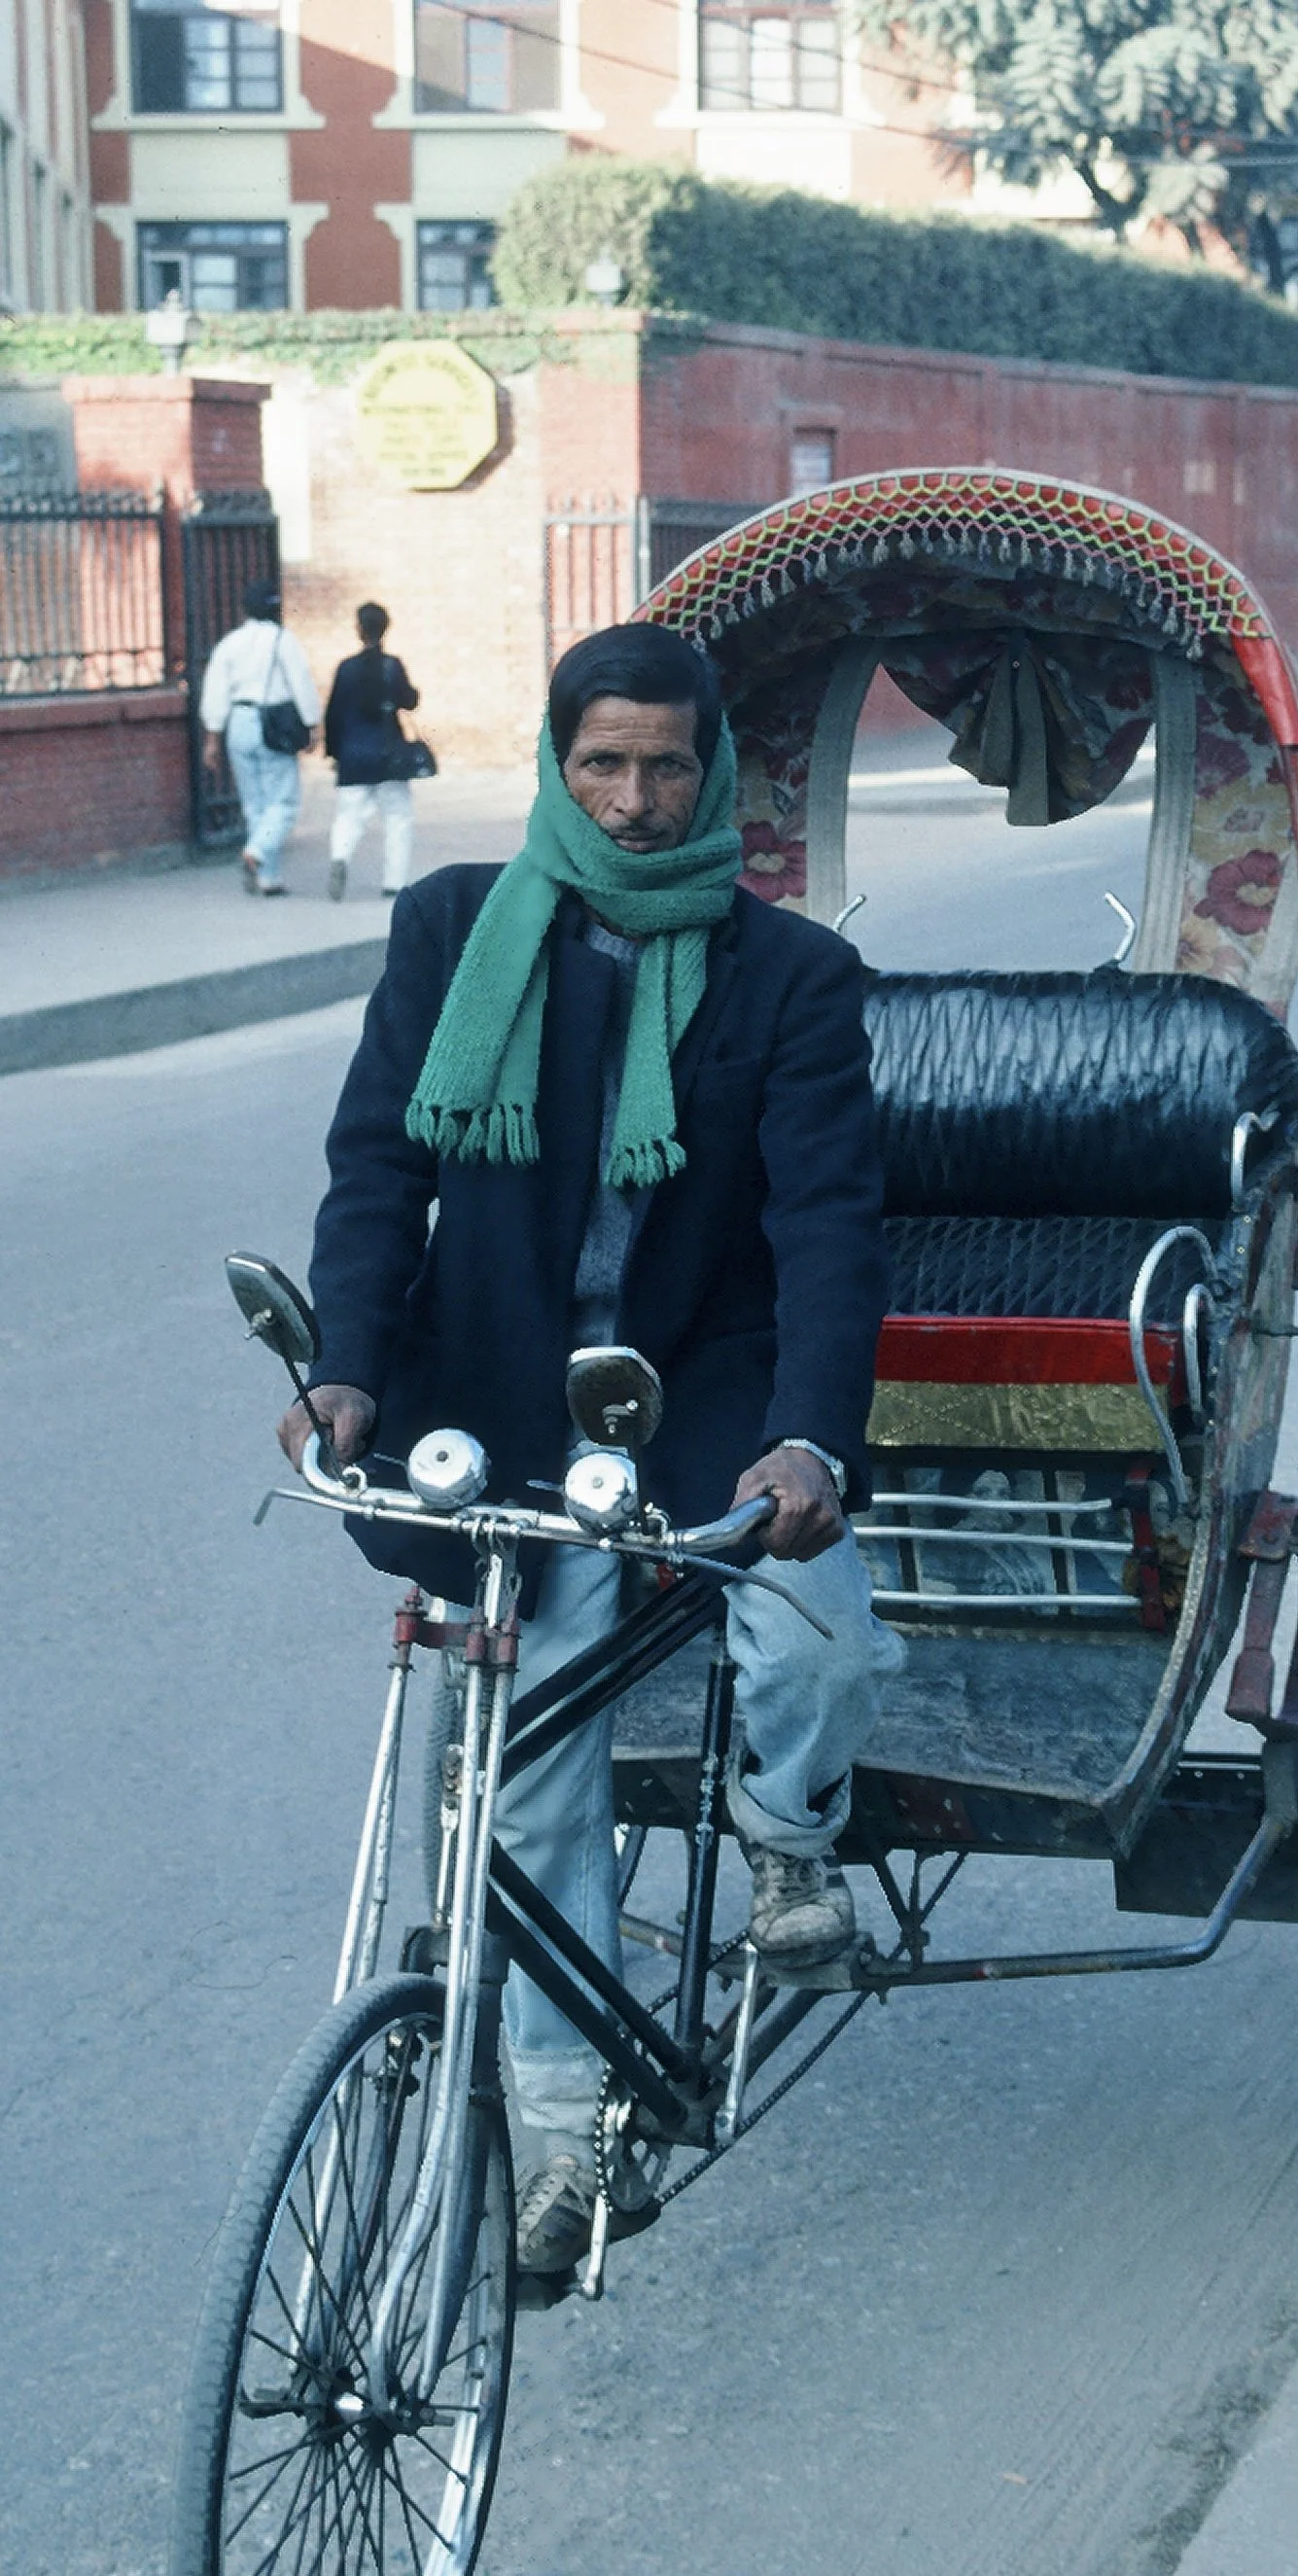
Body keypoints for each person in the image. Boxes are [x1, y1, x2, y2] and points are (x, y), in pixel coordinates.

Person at [277, 622, 902, 2282]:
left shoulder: (792, 978)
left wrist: (805, 1444)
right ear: (561, 764)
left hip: (708, 1396)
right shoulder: (454, 929)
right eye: (603, 764)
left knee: (822, 1649)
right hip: (497, 1404)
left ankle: (787, 1833)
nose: (633, 800)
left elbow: (831, 1226)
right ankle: (563, 2134)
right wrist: (346, 1369)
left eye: (668, 765)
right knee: (531, 1770)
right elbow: (371, 1174)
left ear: (717, 775)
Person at [198, 578, 321, 897]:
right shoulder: (283, 640)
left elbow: (215, 691)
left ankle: (268, 877)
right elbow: (301, 683)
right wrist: (312, 724)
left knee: (255, 805)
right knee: (283, 803)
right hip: (273, 725)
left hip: (237, 722)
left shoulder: (230, 643)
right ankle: (257, 852)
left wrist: (212, 738)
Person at [324, 601, 421, 900]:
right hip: (388, 753)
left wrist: (334, 753)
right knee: (397, 818)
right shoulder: (392, 666)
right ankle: (393, 883)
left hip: (353, 754)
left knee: (348, 816)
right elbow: (409, 700)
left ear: (358, 629)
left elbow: (333, 713)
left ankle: (340, 856)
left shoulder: (346, 668)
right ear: (385, 629)